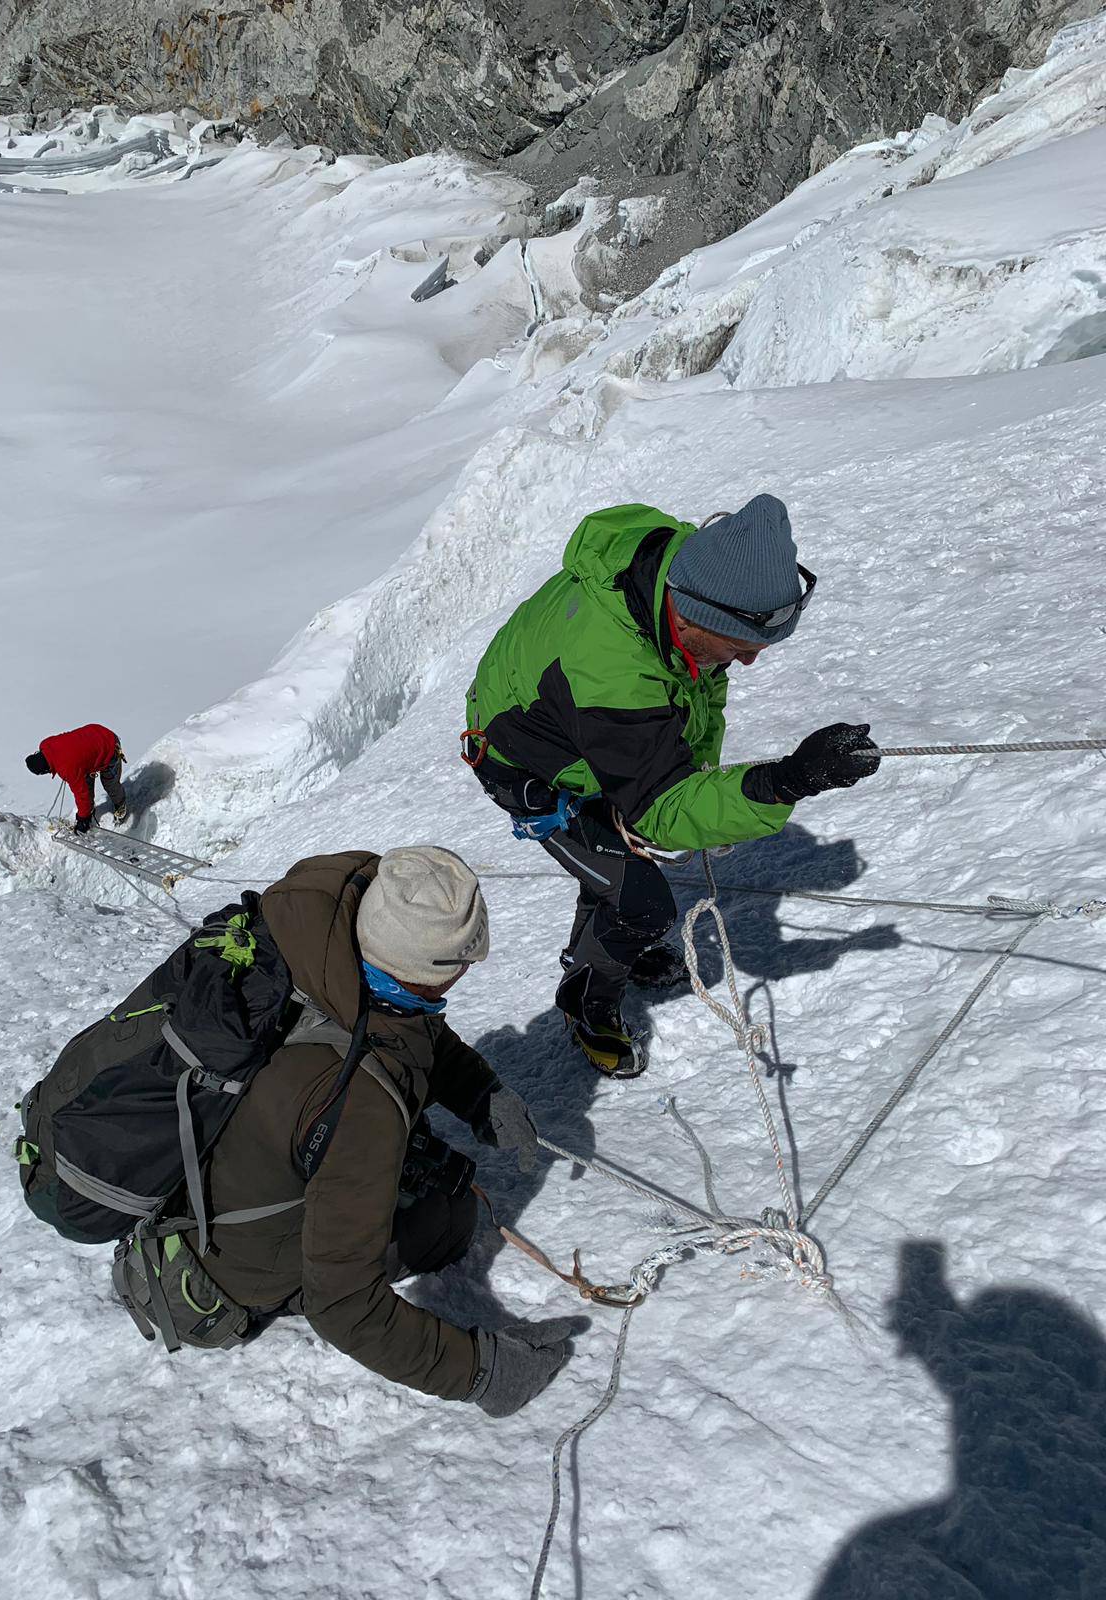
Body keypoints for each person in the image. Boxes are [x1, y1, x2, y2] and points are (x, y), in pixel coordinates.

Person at [133, 846, 576, 1415]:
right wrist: (483, 1373)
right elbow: (342, 1303)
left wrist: (480, 1094)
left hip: (198, 1194)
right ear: (431, 975)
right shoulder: (361, 1102)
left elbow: (407, 1033)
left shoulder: (318, 961)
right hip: (228, 1273)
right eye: (460, 964)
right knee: (449, 1215)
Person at [462, 495, 881, 1078]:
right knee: (641, 905)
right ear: (689, 616)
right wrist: (786, 781)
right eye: (739, 648)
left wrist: (705, 792)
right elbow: (658, 807)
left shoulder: (682, 568)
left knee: (617, 871)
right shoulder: (612, 668)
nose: (750, 662)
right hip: (528, 765)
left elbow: (687, 718)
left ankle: (612, 941)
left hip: (583, 737)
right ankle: (587, 1002)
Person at [25, 722, 128, 831]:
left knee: (110, 784)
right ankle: (89, 810)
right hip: (92, 733)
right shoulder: (46, 744)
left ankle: (120, 805)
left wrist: (82, 819)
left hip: (109, 745)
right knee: (85, 781)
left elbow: (81, 794)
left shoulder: (67, 769)